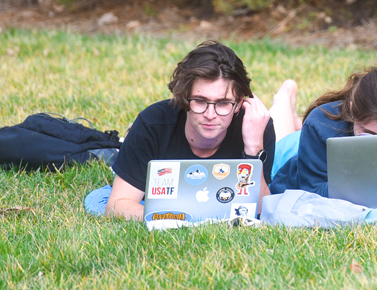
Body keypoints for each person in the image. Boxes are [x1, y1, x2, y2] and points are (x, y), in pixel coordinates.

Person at [102, 41, 276, 220]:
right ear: (184, 98)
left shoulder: (257, 126)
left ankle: (284, 98)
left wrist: (254, 150)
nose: (210, 115)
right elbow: (117, 206)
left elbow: (263, 212)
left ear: (239, 103)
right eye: (200, 101)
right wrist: (179, 219)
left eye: (223, 103)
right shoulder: (152, 124)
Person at [266, 67, 377, 196]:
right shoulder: (318, 125)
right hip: (294, 153)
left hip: (315, 145)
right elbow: (312, 192)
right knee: (280, 135)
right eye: (368, 135)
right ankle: (285, 96)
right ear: (352, 110)